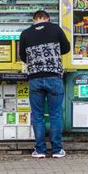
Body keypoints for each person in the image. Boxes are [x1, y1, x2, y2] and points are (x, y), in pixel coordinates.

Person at [19, 10, 70, 158]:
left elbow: (23, 57)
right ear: (47, 18)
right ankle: (57, 150)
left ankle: (40, 150)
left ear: (34, 20)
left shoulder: (25, 33)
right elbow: (66, 48)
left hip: (35, 78)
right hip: (54, 76)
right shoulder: (55, 28)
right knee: (55, 115)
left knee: (38, 116)